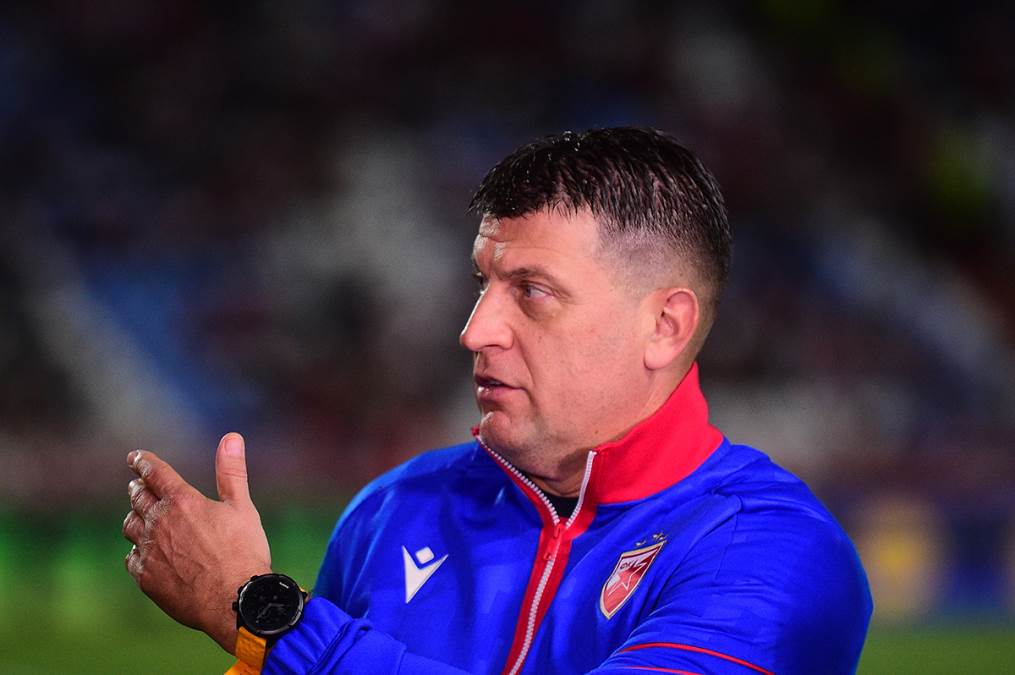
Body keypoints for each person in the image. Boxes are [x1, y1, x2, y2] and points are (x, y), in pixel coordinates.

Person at [123, 127, 872, 674]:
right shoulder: (390, 511)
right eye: (484, 283)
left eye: (532, 291)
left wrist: (262, 614)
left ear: (663, 326)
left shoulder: (772, 554)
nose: (475, 330)